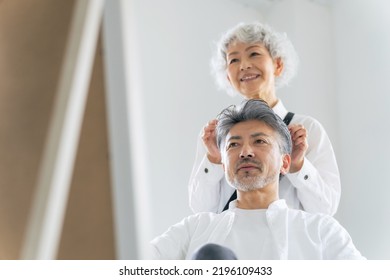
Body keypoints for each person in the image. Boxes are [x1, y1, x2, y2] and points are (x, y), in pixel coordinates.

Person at [151, 100, 364, 260]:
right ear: (224, 166)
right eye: (233, 145)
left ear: (285, 162)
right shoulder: (194, 229)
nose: (245, 152)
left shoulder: (321, 231)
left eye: (259, 141)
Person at [189, 22, 340, 215]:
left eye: (254, 54)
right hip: (232, 243)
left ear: (277, 65)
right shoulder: (216, 136)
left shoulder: (308, 130)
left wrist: (297, 166)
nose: (244, 65)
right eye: (234, 60)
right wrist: (213, 159)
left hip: (289, 243)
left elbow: (325, 209)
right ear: (228, 76)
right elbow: (201, 211)